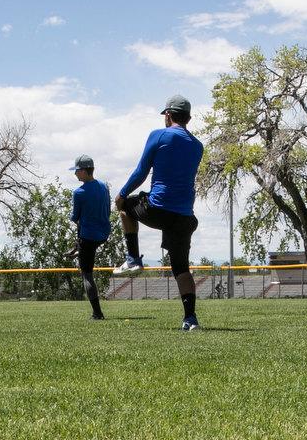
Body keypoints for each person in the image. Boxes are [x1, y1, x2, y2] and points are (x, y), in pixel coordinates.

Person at [115, 95, 205, 331]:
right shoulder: (197, 146)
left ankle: (133, 258)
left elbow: (141, 172)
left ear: (168, 115)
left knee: (125, 208)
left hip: (158, 207)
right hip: (184, 216)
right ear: (189, 118)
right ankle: (190, 318)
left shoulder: (159, 135)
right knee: (181, 269)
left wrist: (122, 194)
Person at [69, 154, 111, 319]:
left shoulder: (79, 193)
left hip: (89, 236)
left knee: (87, 274)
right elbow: (107, 210)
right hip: (104, 233)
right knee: (86, 248)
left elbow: (75, 217)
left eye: (77, 171)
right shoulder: (104, 186)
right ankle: (79, 249)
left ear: (85, 171)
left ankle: (97, 313)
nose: (75, 174)